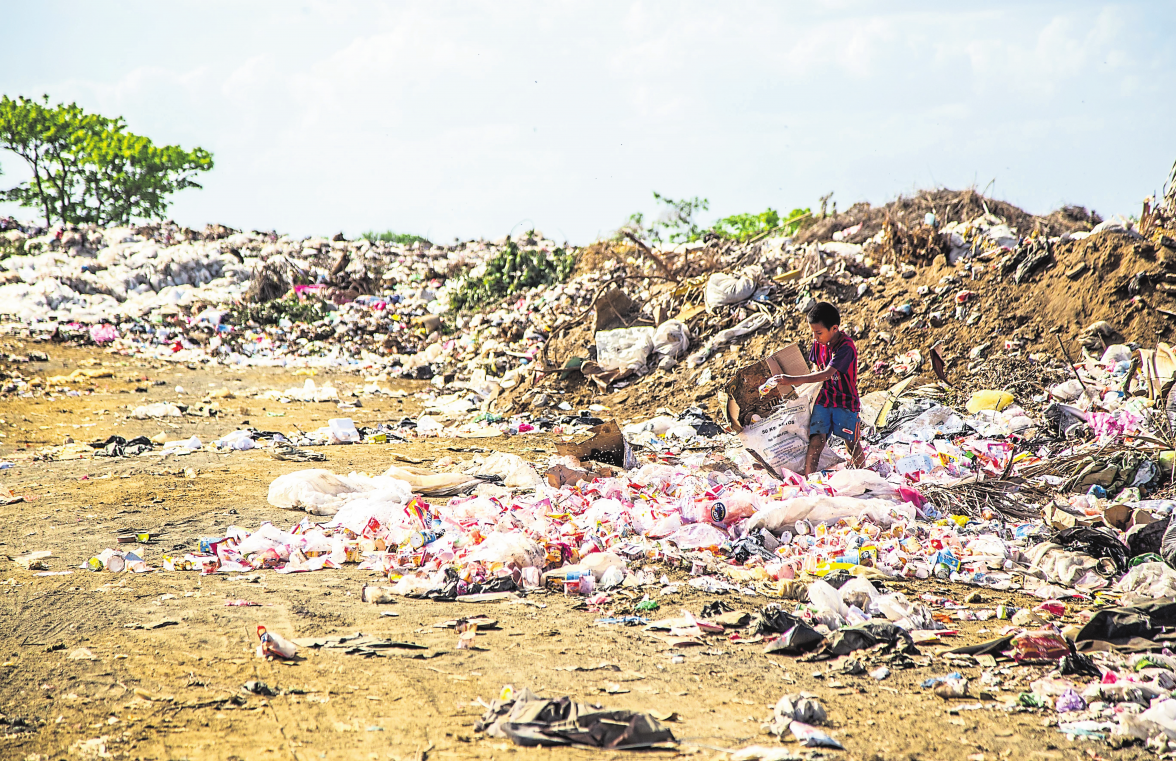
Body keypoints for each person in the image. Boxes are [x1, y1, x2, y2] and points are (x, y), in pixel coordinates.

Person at [767, 301, 863, 474]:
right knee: (816, 441)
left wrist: (791, 380)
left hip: (845, 401)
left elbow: (826, 374)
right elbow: (815, 369)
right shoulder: (818, 343)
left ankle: (865, 477)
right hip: (824, 399)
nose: (815, 338)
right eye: (813, 333)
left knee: (852, 443)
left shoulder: (846, 347)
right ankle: (809, 481)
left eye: (818, 333)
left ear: (834, 329)